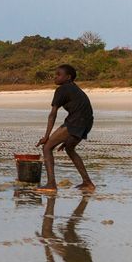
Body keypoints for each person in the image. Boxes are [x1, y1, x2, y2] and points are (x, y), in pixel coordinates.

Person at [37, 63, 96, 193]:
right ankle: (88, 183)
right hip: (87, 122)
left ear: (68, 77)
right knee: (70, 149)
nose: (55, 77)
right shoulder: (74, 88)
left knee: (47, 147)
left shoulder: (62, 89)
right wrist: (68, 138)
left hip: (76, 122)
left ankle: (51, 184)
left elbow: (52, 114)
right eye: (55, 74)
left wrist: (46, 136)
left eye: (59, 75)